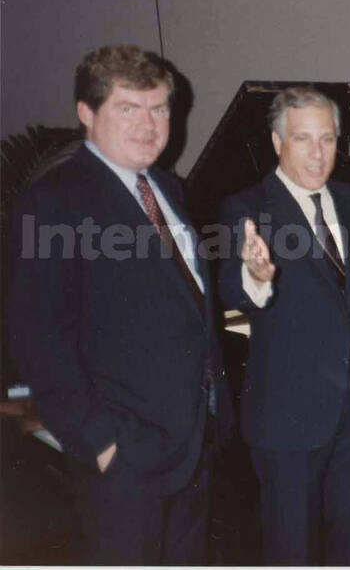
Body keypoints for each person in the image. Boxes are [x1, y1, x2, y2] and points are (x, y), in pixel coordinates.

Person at [5, 44, 232, 563]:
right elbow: (37, 336)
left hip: (192, 442)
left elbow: (180, 304)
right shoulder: (53, 200)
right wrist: (102, 443)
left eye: (159, 109)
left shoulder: (167, 189)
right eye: (127, 108)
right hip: (125, 455)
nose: (148, 125)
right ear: (86, 114)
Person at [217, 85, 350, 565]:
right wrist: (255, 275)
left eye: (327, 139)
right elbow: (231, 285)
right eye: (303, 139)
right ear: (276, 143)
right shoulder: (247, 208)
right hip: (289, 418)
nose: (317, 153)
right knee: (294, 552)